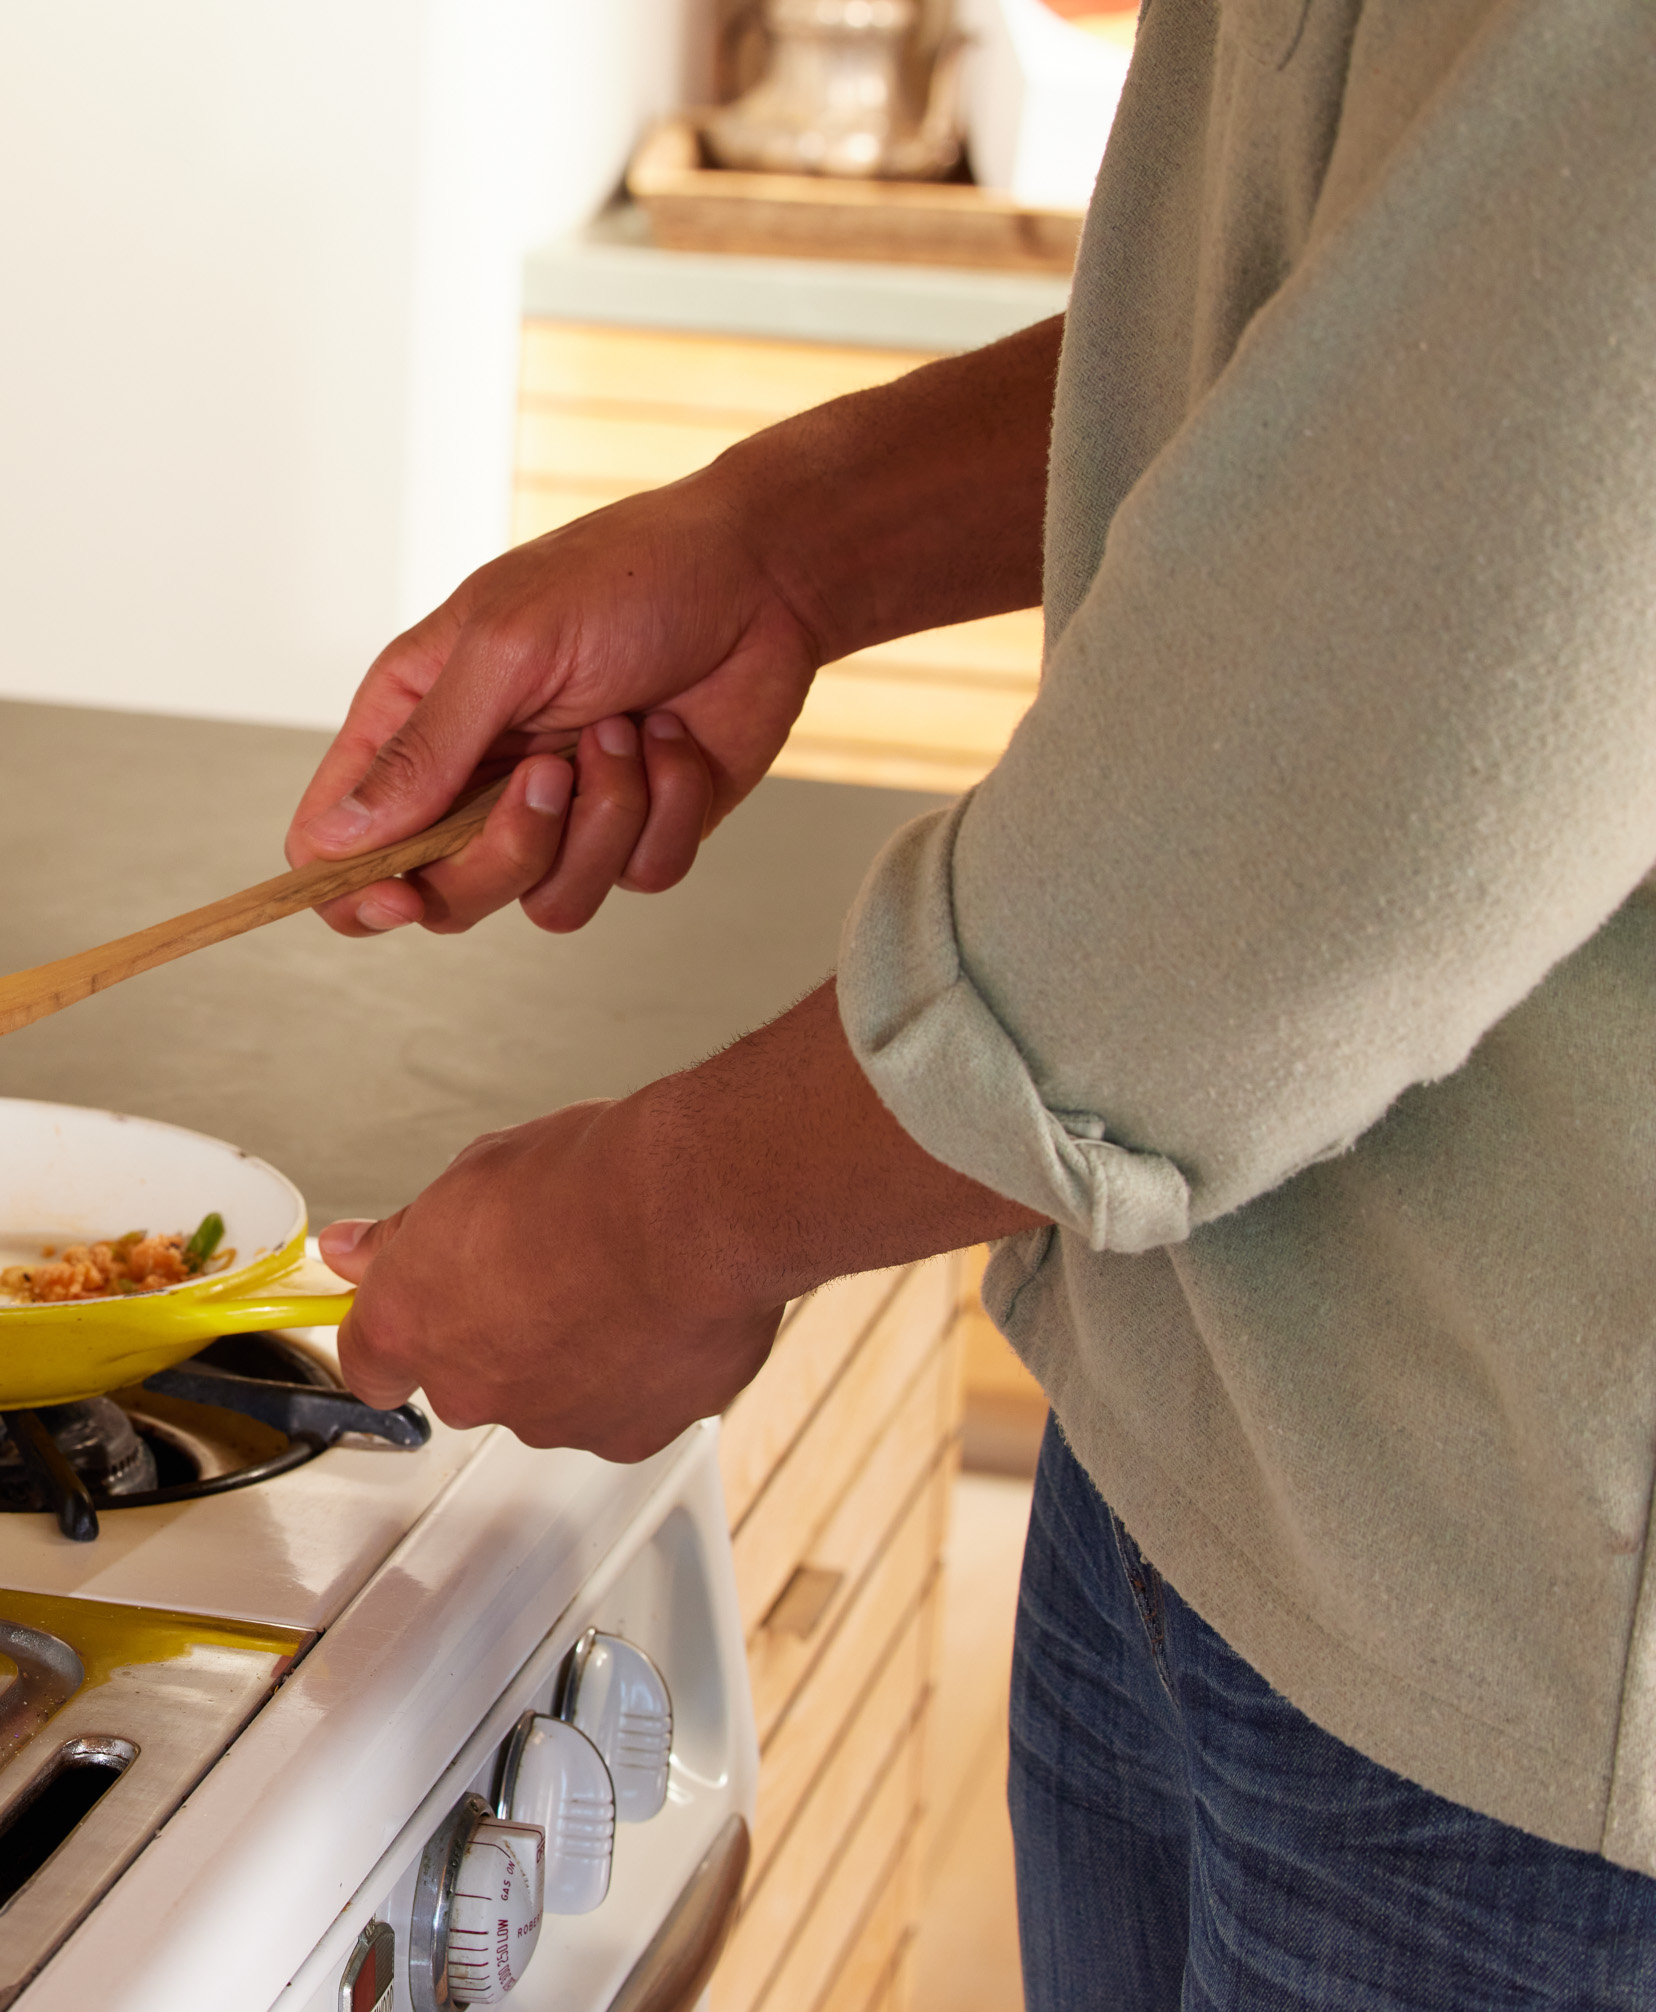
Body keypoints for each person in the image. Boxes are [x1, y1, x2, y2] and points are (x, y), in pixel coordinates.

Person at [284, 2, 1656, 2004]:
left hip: (1537, 1683)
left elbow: (1315, 823)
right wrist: (788, 543)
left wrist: (660, 1224)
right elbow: (1386, 327)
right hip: (1194, 1443)